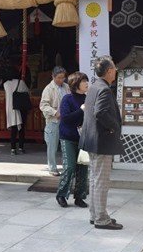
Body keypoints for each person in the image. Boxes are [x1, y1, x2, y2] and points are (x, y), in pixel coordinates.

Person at [80, 57, 123, 230]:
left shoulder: (94, 87)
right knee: (101, 181)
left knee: (95, 179)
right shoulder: (104, 89)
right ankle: (101, 218)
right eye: (114, 69)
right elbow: (101, 112)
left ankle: (95, 214)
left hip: (92, 140)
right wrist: (113, 127)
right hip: (101, 140)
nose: (116, 71)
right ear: (109, 71)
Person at [56, 72, 90, 208]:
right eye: (84, 81)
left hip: (84, 139)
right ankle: (61, 194)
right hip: (68, 138)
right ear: (76, 84)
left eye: (87, 81)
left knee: (83, 168)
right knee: (69, 167)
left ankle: (80, 197)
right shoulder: (67, 99)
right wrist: (81, 110)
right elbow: (66, 118)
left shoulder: (88, 99)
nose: (87, 83)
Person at [40, 66, 70, 176]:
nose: (61, 80)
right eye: (58, 77)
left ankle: (67, 167)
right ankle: (52, 168)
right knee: (52, 146)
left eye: (63, 77)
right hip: (53, 121)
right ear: (53, 76)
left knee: (66, 145)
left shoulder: (66, 86)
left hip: (65, 120)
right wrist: (54, 112)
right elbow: (43, 105)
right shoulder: (48, 88)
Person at [3, 71, 30, 155]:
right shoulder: (20, 82)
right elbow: (27, 91)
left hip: (10, 108)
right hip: (20, 107)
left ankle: (13, 149)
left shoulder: (5, 84)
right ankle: (21, 147)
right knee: (21, 129)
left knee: (13, 130)